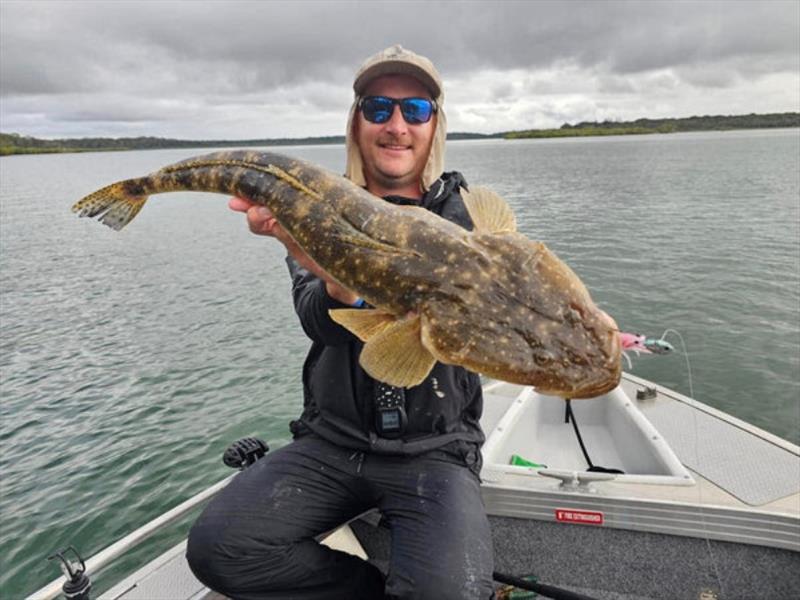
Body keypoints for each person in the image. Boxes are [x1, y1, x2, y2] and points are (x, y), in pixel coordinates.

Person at [186, 45, 495, 600]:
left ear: (434, 125)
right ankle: (362, 589)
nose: (396, 125)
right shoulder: (313, 206)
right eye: (378, 108)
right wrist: (334, 276)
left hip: (436, 449)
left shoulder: (468, 219)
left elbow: (492, 319)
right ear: (356, 123)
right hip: (333, 441)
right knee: (220, 548)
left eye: (415, 110)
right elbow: (316, 319)